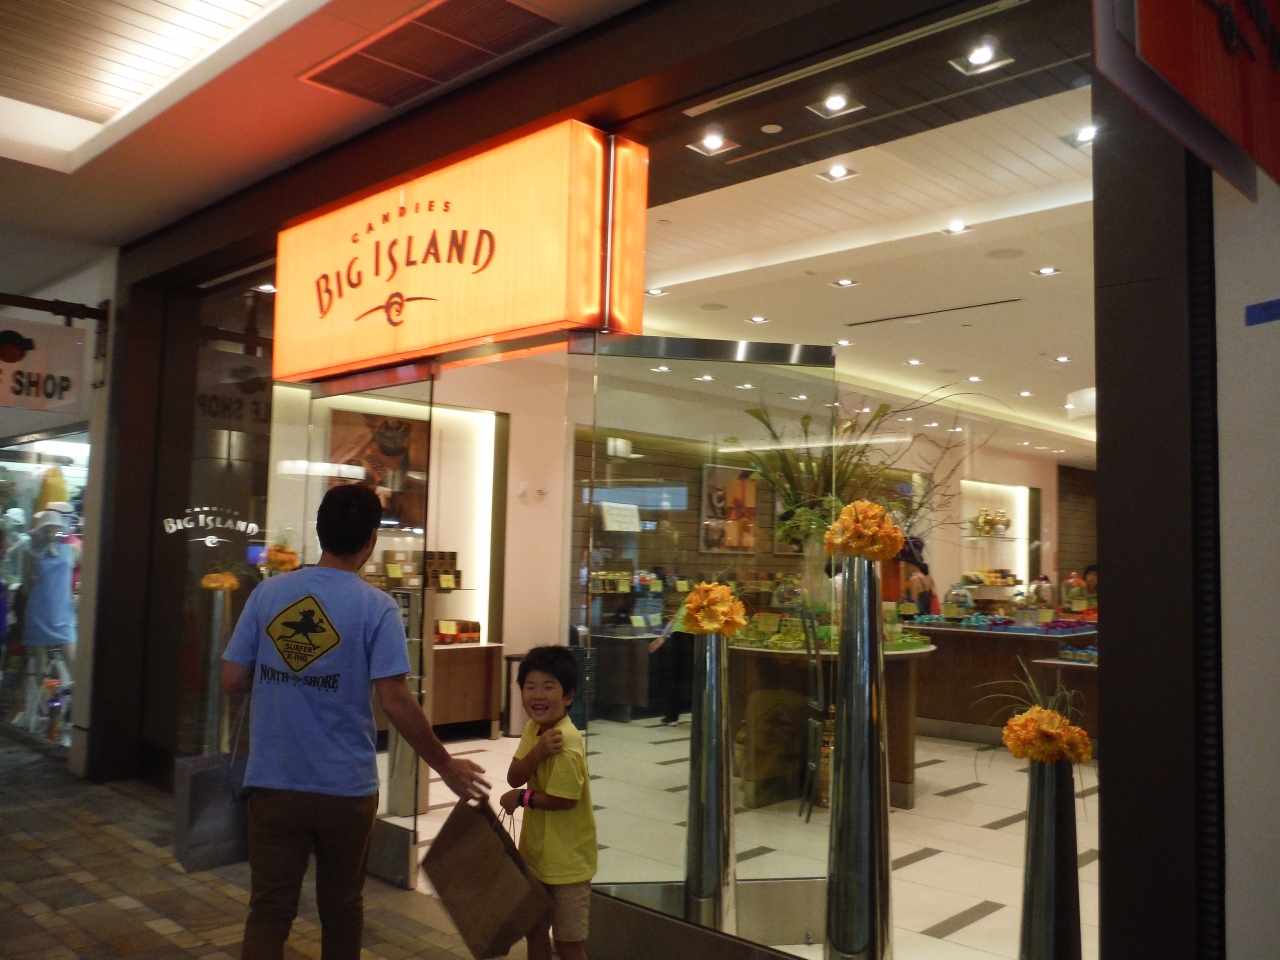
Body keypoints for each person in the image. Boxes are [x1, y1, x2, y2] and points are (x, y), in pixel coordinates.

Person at [222, 484, 489, 960]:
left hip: (275, 782)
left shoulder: (269, 593)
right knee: (342, 909)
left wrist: (282, 678)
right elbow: (396, 701)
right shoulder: (376, 606)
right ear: (370, 541)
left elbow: (231, 678)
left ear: (319, 532)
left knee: (269, 912)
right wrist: (446, 765)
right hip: (345, 789)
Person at [501, 646, 597, 960]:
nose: (537, 695)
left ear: (568, 697)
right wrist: (538, 752)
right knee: (535, 930)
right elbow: (514, 776)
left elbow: (564, 800)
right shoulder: (535, 730)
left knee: (568, 944)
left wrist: (522, 798)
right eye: (530, 687)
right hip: (535, 856)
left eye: (548, 687)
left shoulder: (566, 742)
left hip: (569, 865)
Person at [898, 537, 934, 619]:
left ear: (911, 564)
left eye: (905, 566)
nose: (904, 569)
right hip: (926, 618)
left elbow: (913, 607)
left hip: (916, 620)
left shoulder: (914, 579)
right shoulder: (929, 577)